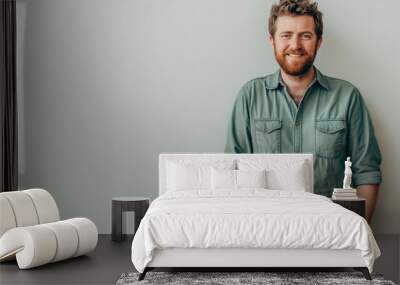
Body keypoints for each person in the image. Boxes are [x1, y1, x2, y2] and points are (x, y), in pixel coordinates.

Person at [224, 0, 382, 224]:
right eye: (286, 35)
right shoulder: (250, 96)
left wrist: (357, 235)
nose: (295, 44)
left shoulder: (347, 97)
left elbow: (367, 172)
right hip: (265, 230)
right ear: (272, 41)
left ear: (319, 42)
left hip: (331, 233)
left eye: (305, 36)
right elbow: (233, 173)